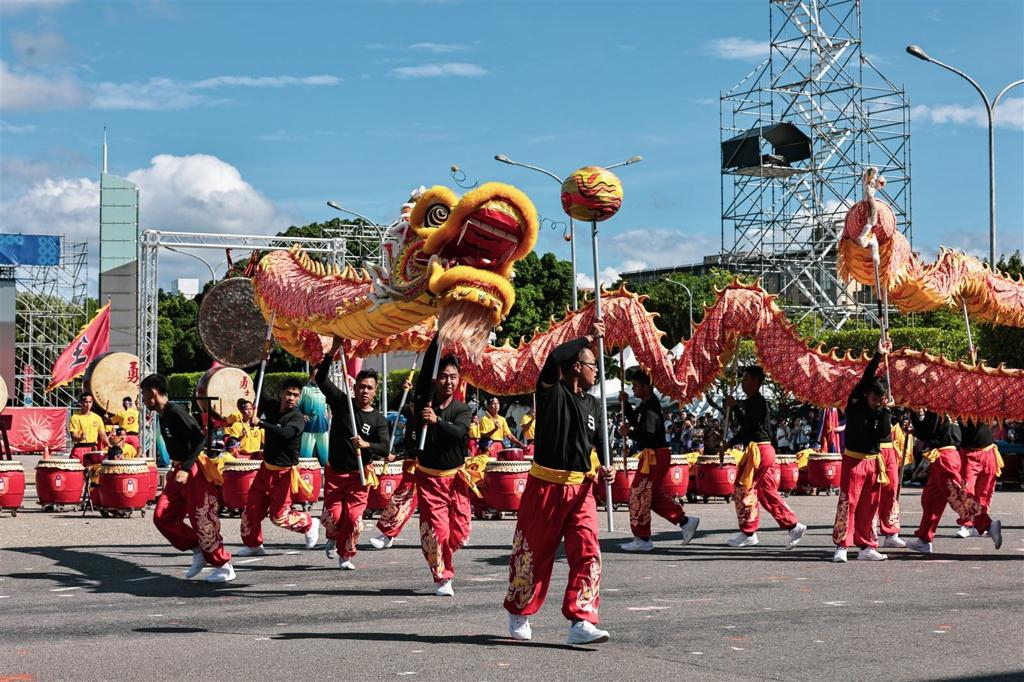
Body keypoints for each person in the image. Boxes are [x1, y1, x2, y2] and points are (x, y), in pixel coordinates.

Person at [504, 321, 615, 646]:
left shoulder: (594, 404)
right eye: (593, 364)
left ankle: (581, 619)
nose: (597, 370)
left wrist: (604, 470)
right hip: (545, 486)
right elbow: (554, 358)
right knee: (533, 554)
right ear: (577, 367)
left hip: (581, 490)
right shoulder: (551, 391)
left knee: (587, 552)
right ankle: (519, 609)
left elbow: (593, 447)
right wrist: (588, 337)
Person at [143, 374, 235, 583]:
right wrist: (175, 467)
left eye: (144, 394)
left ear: (154, 392)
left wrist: (185, 467)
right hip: (179, 469)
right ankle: (197, 549)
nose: (143, 398)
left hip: (193, 470)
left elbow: (199, 439)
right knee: (162, 516)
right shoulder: (163, 414)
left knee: (202, 518)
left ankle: (224, 565)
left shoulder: (175, 411)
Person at [406, 341, 473, 597]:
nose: (448, 381)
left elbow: (458, 433)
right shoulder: (426, 400)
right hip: (430, 479)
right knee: (439, 532)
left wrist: (436, 422)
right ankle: (443, 577)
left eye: (453, 377)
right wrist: (438, 338)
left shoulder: (462, 409)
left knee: (459, 533)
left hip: (456, 479)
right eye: (443, 376)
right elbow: (425, 372)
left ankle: (442, 554)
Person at [316, 339, 389, 570]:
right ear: (354, 387)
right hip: (336, 474)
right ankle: (332, 535)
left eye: (369, 387)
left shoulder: (378, 419)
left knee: (354, 520)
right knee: (334, 518)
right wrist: (333, 352)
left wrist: (367, 445)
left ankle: (346, 554)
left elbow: (385, 447)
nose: (364, 391)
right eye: (361, 386)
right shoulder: (341, 402)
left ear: (374, 391)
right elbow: (320, 379)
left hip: (360, 477)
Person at [236, 379, 321, 556]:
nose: (291, 398)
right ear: (281, 393)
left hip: (283, 475)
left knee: (279, 517)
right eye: (288, 393)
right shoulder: (272, 407)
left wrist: (262, 424)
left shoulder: (297, 418)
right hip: (265, 470)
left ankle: (309, 523)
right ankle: (253, 545)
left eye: (295, 395)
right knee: (250, 511)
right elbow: (258, 382)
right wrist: (262, 358)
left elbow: (286, 433)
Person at [724, 366, 806, 549]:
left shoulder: (758, 402)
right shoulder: (752, 401)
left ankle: (748, 532)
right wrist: (729, 444)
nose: (743, 383)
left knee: (742, 488)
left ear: (755, 382)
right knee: (766, 492)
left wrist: (734, 407)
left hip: (759, 452)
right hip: (761, 450)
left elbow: (748, 426)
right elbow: (747, 431)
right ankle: (793, 526)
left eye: (745, 379)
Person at [619, 369, 699, 552]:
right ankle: (685, 521)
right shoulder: (647, 403)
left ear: (646, 387)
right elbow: (636, 420)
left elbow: (646, 435)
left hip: (655, 455)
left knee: (638, 493)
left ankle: (643, 538)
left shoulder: (652, 406)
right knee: (652, 497)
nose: (633, 389)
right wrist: (627, 405)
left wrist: (629, 433)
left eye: (636, 386)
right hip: (654, 455)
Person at [906, 411, 1001, 554]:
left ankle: (987, 524)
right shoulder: (949, 410)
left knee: (958, 497)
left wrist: (913, 416)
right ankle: (924, 539)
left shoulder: (937, 409)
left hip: (945, 459)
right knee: (930, 500)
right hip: (945, 457)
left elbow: (925, 432)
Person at [831, 348, 892, 562]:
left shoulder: (882, 411)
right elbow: (866, 378)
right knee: (849, 502)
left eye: (880, 399)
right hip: (853, 460)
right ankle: (842, 546)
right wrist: (878, 355)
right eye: (875, 398)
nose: (877, 401)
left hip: (874, 462)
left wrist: (885, 411)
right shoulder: (855, 402)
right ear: (867, 394)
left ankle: (867, 546)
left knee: (870, 505)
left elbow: (884, 433)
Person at [368, 376, 419, 550]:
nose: (413, 407)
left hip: (421, 467)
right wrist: (406, 389)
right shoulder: (409, 413)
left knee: (404, 502)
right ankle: (387, 534)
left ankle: (388, 534)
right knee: (399, 500)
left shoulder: (425, 421)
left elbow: (420, 449)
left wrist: (396, 457)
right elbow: (398, 403)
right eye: (412, 403)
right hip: (410, 467)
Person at [955, 417, 1003, 541]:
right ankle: (966, 524)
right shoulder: (958, 405)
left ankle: (979, 526)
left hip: (988, 451)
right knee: (965, 491)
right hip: (968, 454)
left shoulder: (986, 403)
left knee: (984, 493)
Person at [69, 393, 108, 465]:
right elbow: (73, 437)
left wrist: (109, 445)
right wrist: (80, 438)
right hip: (80, 448)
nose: (88, 404)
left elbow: (102, 434)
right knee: (77, 473)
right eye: (86, 402)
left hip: (93, 449)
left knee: (94, 473)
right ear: (81, 402)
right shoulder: (75, 417)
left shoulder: (97, 417)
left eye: (90, 402)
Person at [299, 376, 330, 466]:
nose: (317, 378)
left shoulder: (325, 389)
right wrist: (302, 415)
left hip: (323, 428)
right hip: (309, 428)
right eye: (315, 375)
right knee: (305, 458)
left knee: (326, 458)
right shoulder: (305, 389)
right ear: (311, 376)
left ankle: (328, 478)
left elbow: (329, 405)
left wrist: (329, 412)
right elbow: (297, 406)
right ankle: (304, 477)